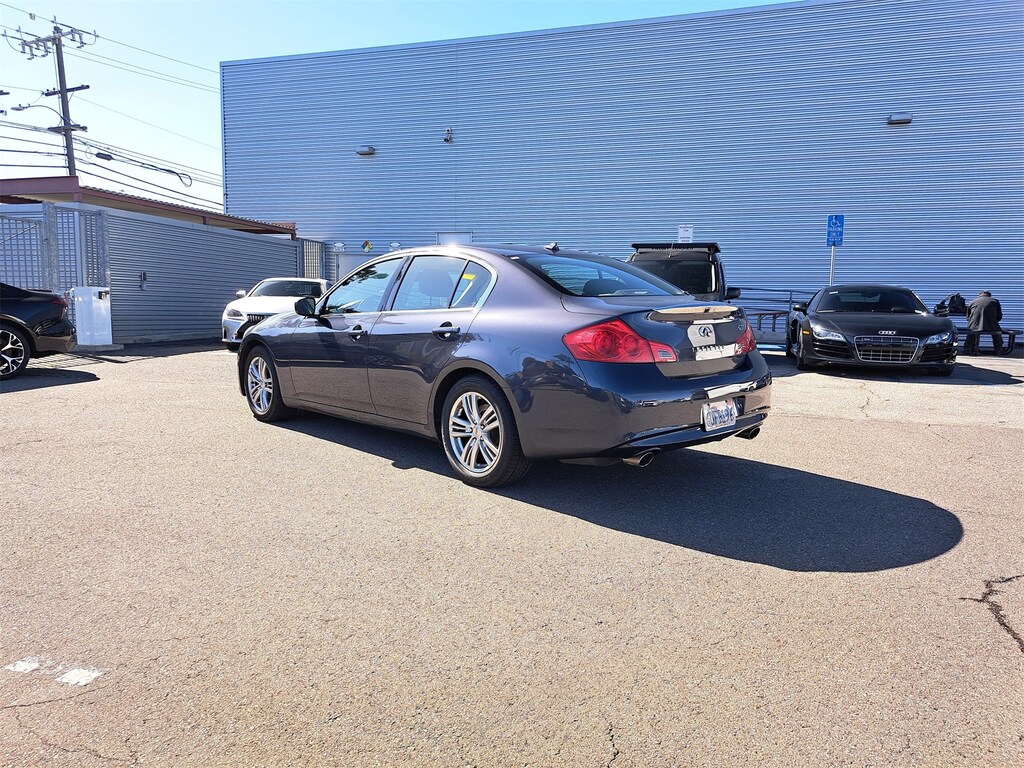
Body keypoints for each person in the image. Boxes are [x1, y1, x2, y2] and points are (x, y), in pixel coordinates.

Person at [964, 290, 1003, 355]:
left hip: (975, 325)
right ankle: (998, 349)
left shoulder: (973, 301)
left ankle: (967, 348)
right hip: (991, 325)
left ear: (979, 296)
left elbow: (968, 316)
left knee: (971, 330)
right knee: (997, 332)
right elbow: (999, 316)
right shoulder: (995, 301)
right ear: (990, 296)